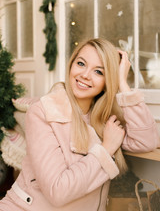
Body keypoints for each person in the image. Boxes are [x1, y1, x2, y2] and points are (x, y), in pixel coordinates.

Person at [0, 38, 159, 211]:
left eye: (99, 72)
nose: (85, 75)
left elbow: (146, 141)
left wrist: (123, 85)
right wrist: (106, 149)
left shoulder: (105, 119)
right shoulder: (43, 112)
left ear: (108, 82)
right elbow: (58, 191)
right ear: (71, 65)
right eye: (81, 63)